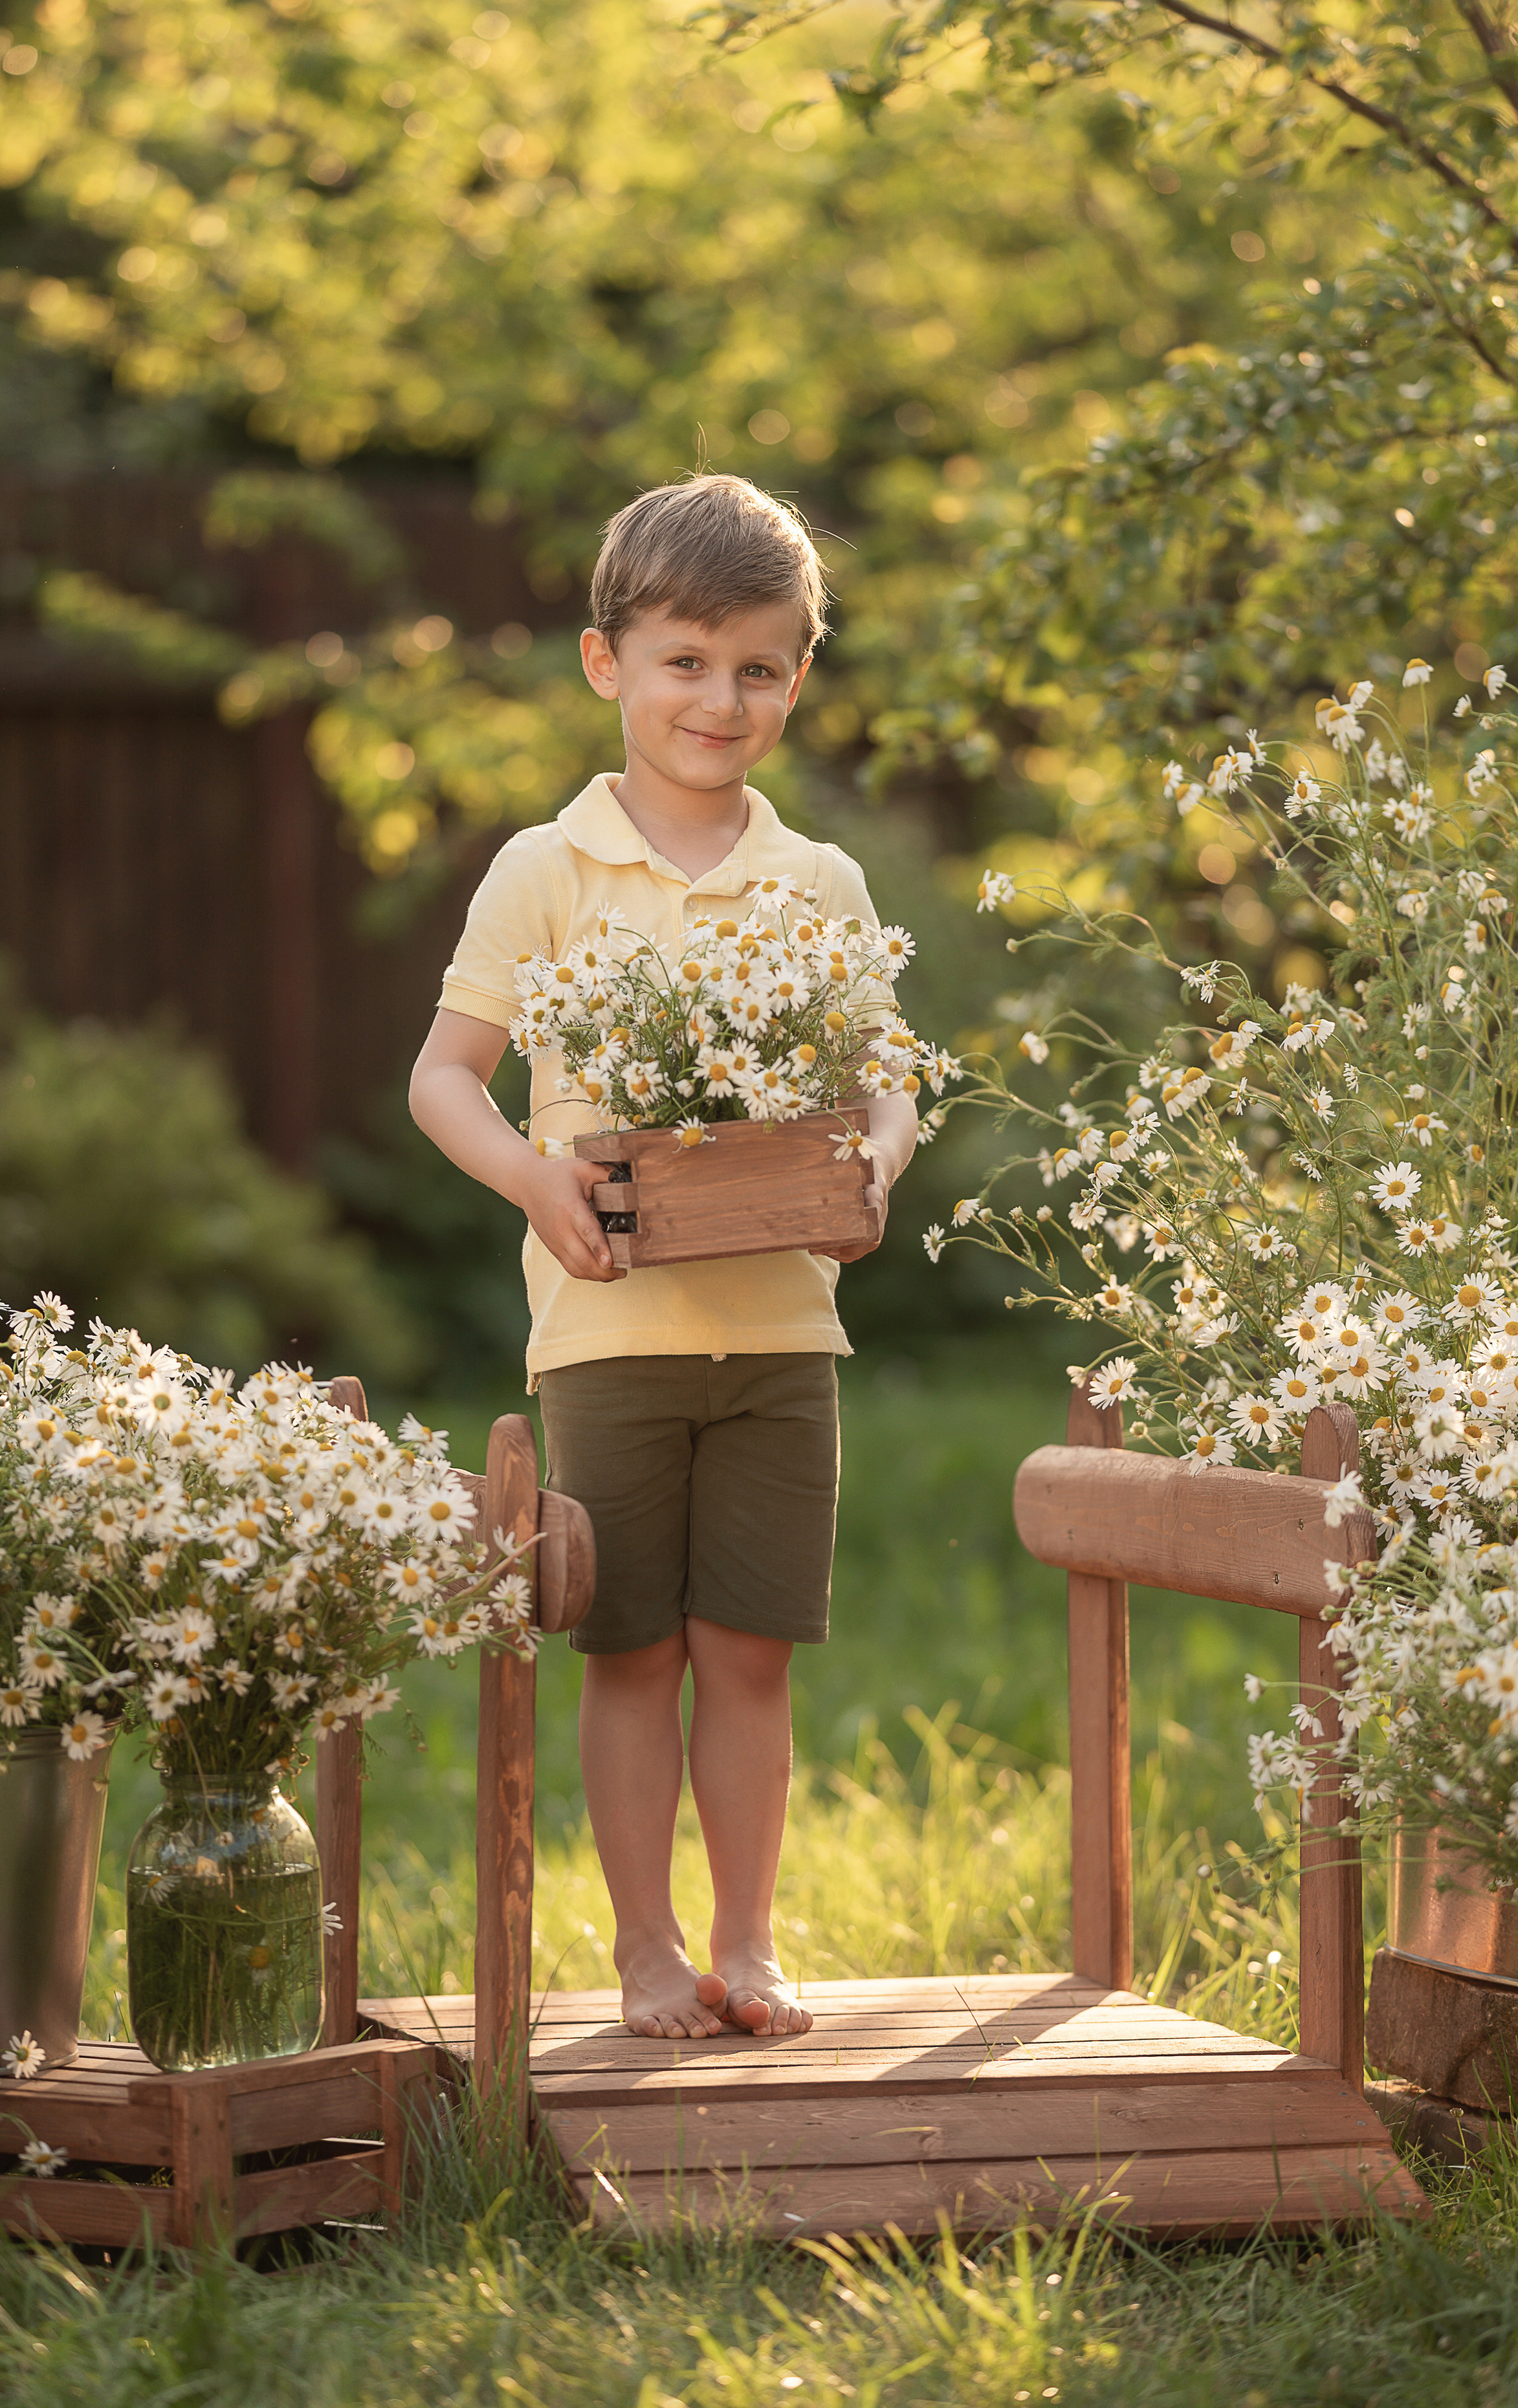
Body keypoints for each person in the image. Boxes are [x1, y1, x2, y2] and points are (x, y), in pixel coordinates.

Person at [407, 472, 918, 2041]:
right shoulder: (543, 870)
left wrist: (871, 1166)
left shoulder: (819, 884)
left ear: (796, 682)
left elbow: (888, 1082)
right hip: (607, 1331)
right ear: (603, 662)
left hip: (780, 1333)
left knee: (749, 1655)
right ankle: (645, 1949)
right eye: (683, 660)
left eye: (756, 667)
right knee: (628, 1652)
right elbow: (444, 1078)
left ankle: (746, 1945)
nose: (718, 698)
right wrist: (531, 1180)